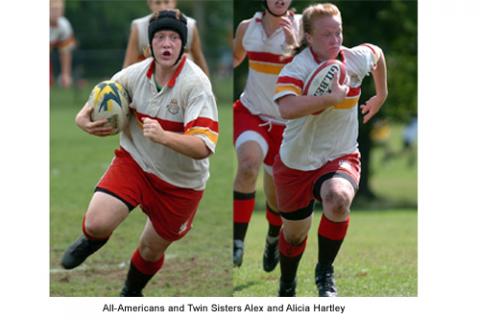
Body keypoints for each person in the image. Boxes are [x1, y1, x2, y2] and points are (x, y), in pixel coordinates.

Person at [60, 9, 218, 297]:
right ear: (150, 45)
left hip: (181, 184)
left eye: (173, 38)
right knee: (97, 223)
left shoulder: (196, 84)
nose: (167, 43)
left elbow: (204, 147)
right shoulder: (135, 74)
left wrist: (165, 137)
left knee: (150, 249)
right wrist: (81, 118)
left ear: (183, 45)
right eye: (160, 37)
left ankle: (131, 294)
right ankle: (90, 239)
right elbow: (103, 92)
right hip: (135, 162)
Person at [272, 3, 388, 296]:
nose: (335, 39)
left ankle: (324, 273)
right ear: (308, 38)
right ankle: (287, 282)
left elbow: (377, 53)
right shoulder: (296, 68)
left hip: (340, 154)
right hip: (296, 162)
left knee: (337, 200)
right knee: (295, 235)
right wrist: (329, 99)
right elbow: (286, 107)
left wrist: (381, 95)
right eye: (326, 34)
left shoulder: (354, 59)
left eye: (338, 32)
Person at [232, 0, 301, 271]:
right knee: (248, 165)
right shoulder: (247, 27)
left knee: (277, 201)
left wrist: (296, 46)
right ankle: (236, 243)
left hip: (286, 123)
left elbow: (318, 66)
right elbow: (235, 57)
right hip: (252, 112)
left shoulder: (303, 26)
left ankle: (273, 237)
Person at [123, 0, 209, 76]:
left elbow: (198, 58)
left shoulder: (189, 26)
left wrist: (209, 89)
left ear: (174, 2)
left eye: (167, 2)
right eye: (157, 3)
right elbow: (128, 64)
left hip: (183, 79)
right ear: (149, 3)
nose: (163, 7)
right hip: (149, 82)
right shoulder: (139, 28)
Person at [50, 0, 75, 88]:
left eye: (59, 9)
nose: (57, 12)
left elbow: (65, 51)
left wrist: (65, 74)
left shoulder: (64, 26)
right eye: (53, 9)